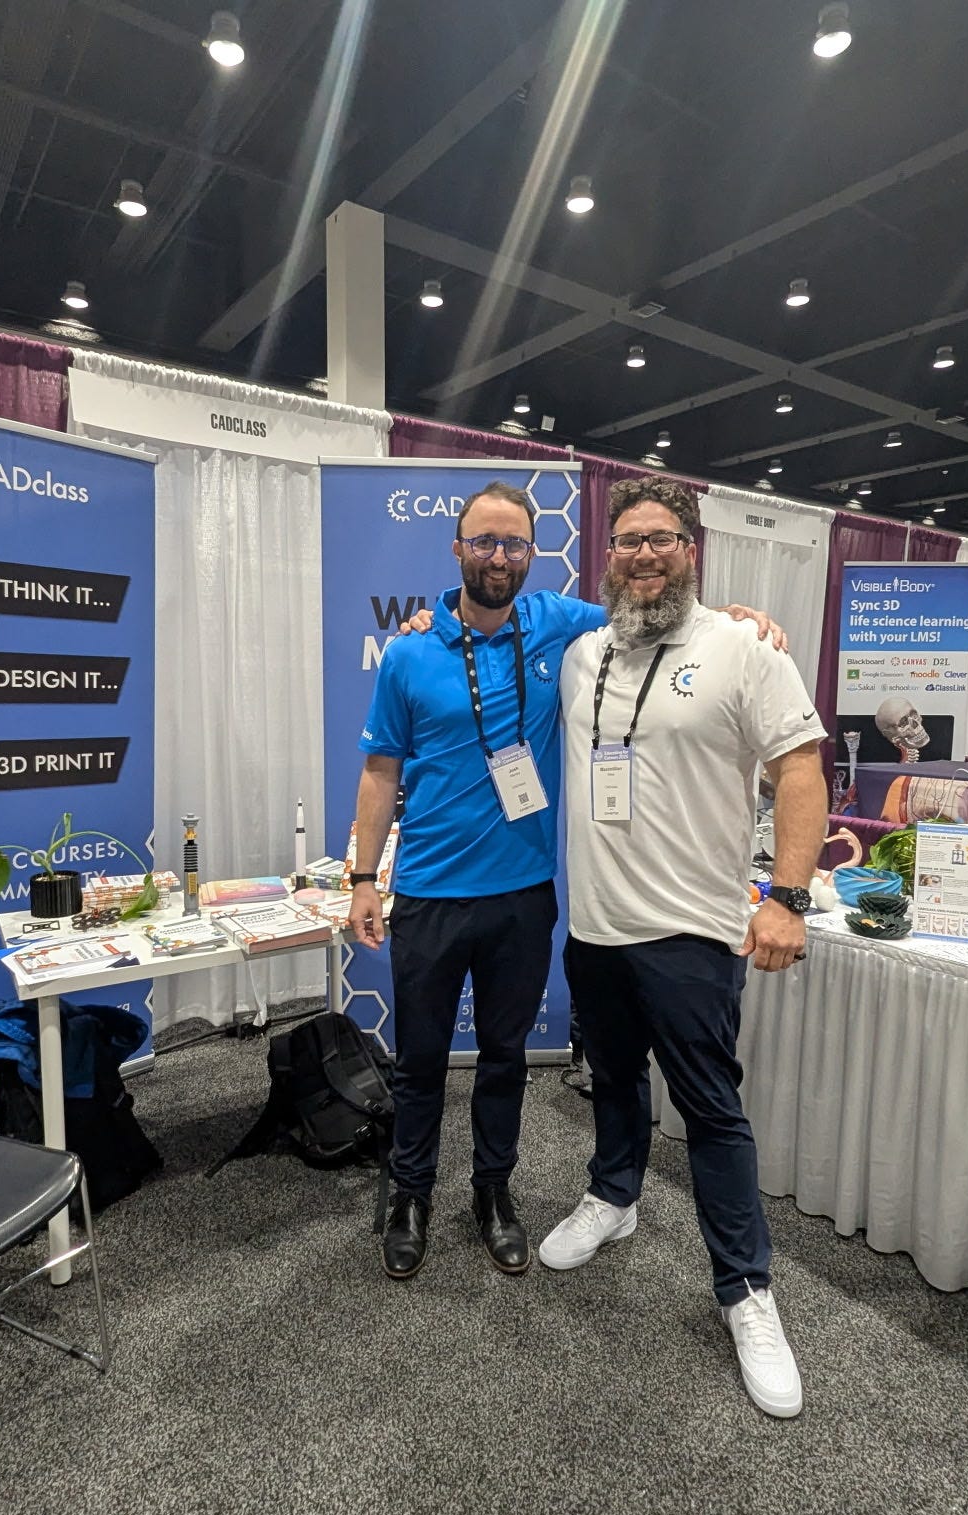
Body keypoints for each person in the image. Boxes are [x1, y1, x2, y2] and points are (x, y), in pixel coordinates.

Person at [348, 481, 784, 1282]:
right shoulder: (409, 651)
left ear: (532, 553)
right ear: (457, 549)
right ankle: (410, 1194)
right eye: (484, 541)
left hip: (523, 896)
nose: (499, 557)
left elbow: (657, 603)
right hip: (429, 893)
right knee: (420, 1061)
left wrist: (737, 619)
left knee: (504, 1059)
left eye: (514, 543)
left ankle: (493, 1192)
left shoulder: (561, 624)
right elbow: (381, 771)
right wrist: (363, 877)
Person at [539, 475, 829, 1419]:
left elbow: (799, 770)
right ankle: (614, 1197)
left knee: (711, 1111)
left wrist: (787, 899)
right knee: (613, 1080)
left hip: (693, 933)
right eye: (628, 540)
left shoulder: (743, 648)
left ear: (692, 550)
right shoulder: (582, 653)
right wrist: (428, 620)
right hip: (595, 927)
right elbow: (485, 623)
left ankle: (746, 1291)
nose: (644, 554)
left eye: (661, 538)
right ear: (608, 555)